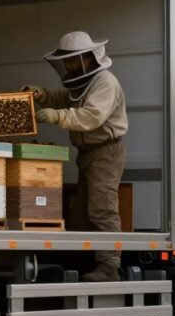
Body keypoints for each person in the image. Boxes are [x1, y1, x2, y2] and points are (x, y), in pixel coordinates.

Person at [23, 31, 128, 282]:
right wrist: (44, 95)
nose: (67, 66)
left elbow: (91, 116)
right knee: (82, 213)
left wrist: (58, 116)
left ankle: (110, 266)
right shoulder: (82, 82)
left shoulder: (105, 82)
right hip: (89, 153)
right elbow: (67, 98)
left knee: (101, 209)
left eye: (71, 60)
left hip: (105, 151)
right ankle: (86, 263)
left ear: (87, 58)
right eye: (65, 61)